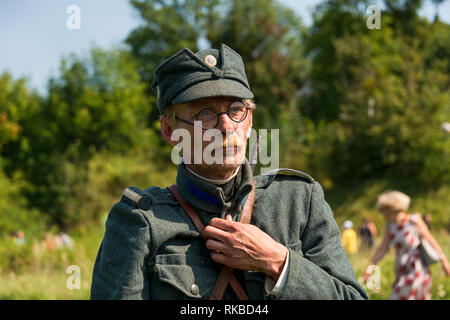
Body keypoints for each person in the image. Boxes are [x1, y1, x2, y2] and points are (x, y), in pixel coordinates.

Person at [90, 44, 367, 300]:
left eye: (236, 109)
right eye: (205, 114)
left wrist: (277, 261)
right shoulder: (139, 222)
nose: (226, 126)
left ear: (250, 121)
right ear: (169, 130)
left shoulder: (299, 202)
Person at [363, 190, 450, 300]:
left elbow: (431, 240)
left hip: (417, 268)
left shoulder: (414, 220)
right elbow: (382, 249)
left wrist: (444, 261)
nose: (383, 215)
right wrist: (371, 267)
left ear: (392, 209)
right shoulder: (390, 226)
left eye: (384, 211)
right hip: (401, 270)